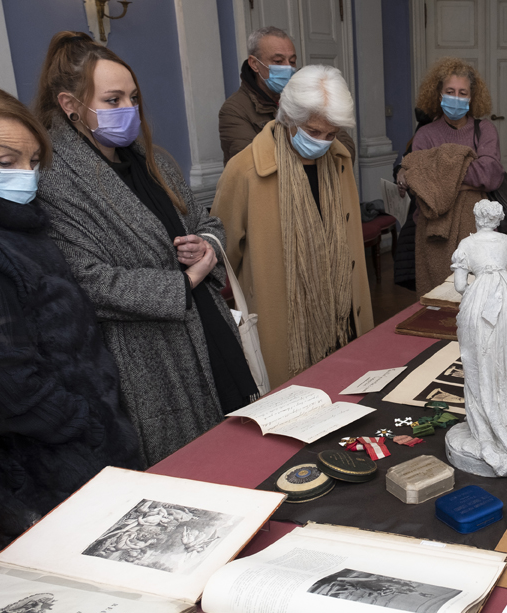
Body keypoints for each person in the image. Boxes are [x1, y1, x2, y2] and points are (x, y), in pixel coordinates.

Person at [34, 31, 258, 467]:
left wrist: (207, 248)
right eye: (113, 100)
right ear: (70, 105)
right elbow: (85, 280)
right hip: (146, 353)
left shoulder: (150, 158)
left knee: (239, 446)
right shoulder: (56, 177)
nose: (129, 110)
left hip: (208, 327)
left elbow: (206, 220)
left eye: (133, 98)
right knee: (189, 466)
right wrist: (180, 282)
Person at [0, 85, 140, 576]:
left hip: (72, 457)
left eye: (33, 160)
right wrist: (90, 425)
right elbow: (3, 382)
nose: (25, 175)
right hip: (36, 475)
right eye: (6, 159)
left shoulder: (15, 225)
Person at [213, 64, 374, 388]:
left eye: (331, 134)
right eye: (313, 131)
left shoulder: (339, 161)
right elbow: (222, 251)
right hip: (282, 321)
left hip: (344, 320)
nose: (323, 142)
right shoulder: (244, 169)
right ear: (288, 117)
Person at [397, 57, 504, 294]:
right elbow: (420, 184)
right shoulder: (425, 135)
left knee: (481, 295)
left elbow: (491, 174)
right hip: (432, 230)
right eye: (450, 91)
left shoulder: (484, 129)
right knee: (438, 298)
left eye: (462, 92)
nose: (456, 97)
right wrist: (465, 170)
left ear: (471, 97)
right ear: (439, 94)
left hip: (477, 228)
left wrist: (438, 171)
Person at [444, 200, 507, 478]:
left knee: (478, 364)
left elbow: (459, 285)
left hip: (480, 299)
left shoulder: (467, 244)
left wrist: (473, 290)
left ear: (476, 218)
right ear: (499, 219)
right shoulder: (506, 241)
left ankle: (486, 437)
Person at [219, 26, 355, 165]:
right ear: (254, 64)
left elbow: (346, 151)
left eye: (292, 61)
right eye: (278, 61)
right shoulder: (234, 109)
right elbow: (250, 165)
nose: (288, 68)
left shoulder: (309, 92)